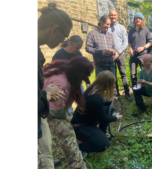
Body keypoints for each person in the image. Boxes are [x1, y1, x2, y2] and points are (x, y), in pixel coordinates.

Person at [43, 56, 93, 169]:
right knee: (67, 132)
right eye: (86, 74)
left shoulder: (65, 69)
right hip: (44, 112)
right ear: (79, 72)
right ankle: (77, 165)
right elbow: (55, 111)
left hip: (43, 106)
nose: (88, 77)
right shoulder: (61, 83)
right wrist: (66, 118)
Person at [38, 3, 72, 169]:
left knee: (46, 153)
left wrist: (44, 93)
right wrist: (46, 96)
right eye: (64, 37)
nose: (62, 42)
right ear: (55, 29)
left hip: (40, 116)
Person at [71, 70, 123, 153]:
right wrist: (115, 118)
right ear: (107, 84)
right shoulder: (95, 98)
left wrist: (110, 102)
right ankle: (79, 148)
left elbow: (98, 106)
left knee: (108, 108)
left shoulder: (92, 89)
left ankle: (101, 133)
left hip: (86, 120)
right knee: (104, 145)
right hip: (80, 126)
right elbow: (103, 118)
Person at [52, 35, 90, 116]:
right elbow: (54, 71)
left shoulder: (78, 53)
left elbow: (83, 68)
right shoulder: (59, 54)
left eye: (79, 48)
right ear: (70, 43)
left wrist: (87, 81)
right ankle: (67, 122)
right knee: (67, 107)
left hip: (77, 83)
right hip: (65, 85)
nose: (78, 50)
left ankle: (80, 120)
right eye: (76, 48)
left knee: (83, 102)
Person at [108, 9, 133, 102]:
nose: (113, 17)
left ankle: (127, 93)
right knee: (112, 75)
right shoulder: (107, 28)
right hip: (110, 56)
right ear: (109, 16)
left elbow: (125, 42)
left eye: (114, 15)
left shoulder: (121, 28)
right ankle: (115, 94)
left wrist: (118, 52)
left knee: (123, 74)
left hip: (120, 54)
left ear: (117, 16)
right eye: (111, 15)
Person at [128, 12, 152, 87]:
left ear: (142, 20)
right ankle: (134, 86)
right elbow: (129, 42)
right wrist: (131, 50)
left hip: (143, 55)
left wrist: (143, 47)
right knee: (133, 72)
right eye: (136, 18)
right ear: (134, 20)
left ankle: (145, 86)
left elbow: (150, 42)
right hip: (133, 55)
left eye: (139, 18)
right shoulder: (131, 30)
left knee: (144, 71)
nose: (138, 20)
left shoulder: (146, 30)